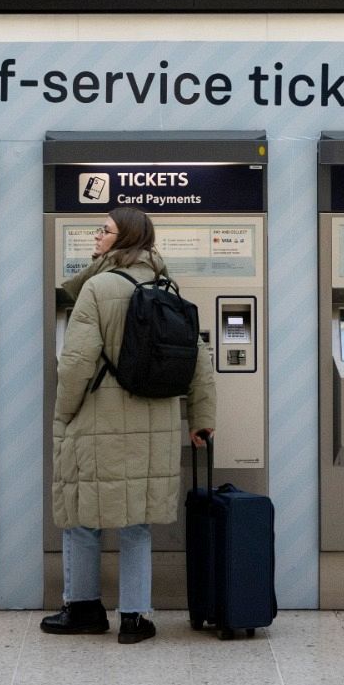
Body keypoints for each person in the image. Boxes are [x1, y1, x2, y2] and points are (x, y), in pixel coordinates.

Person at [42, 206, 215, 644]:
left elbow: (77, 362)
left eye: (105, 231)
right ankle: (135, 618)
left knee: (83, 516)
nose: (96, 238)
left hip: (98, 416)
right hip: (153, 419)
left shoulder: (98, 288)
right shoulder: (168, 287)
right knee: (137, 521)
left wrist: (63, 413)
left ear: (124, 240)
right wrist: (202, 419)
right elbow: (199, 363)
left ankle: (83, 609)